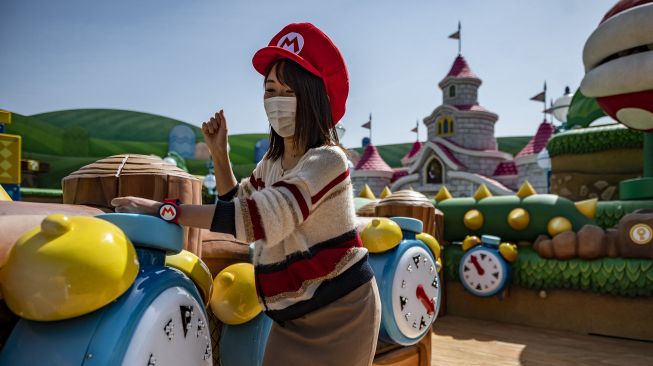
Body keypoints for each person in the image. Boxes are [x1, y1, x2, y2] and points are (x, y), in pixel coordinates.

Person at [111, 23, 381, 366]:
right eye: (270, 90)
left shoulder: (327, 160)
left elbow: (261, 218)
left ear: (313, 96)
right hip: (292, 315)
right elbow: (239, 203)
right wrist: (219, 153)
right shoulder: (273, 163)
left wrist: (165, 210)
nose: (276, 101)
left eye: (288, 91)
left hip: (342, 310)